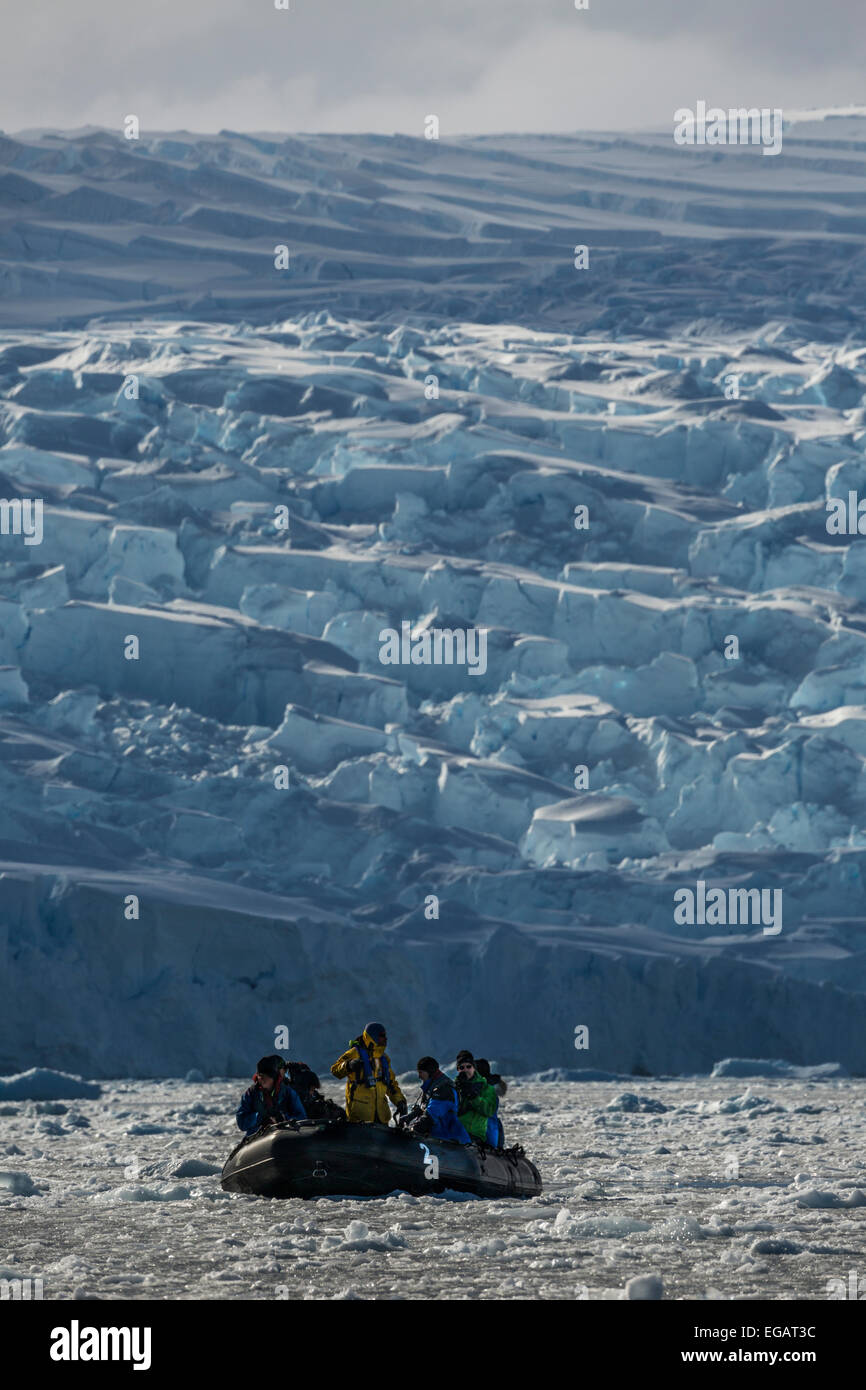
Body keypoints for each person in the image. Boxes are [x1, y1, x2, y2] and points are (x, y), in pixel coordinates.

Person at [330, 1023, 407, 1125]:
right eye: (382, 1035)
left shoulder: (383, 1058)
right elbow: (335, 1070)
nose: (386, 1038)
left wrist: (400, 1101)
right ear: (373, 1036)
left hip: (381, 1117)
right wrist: (348, 1065)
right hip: (359, 1116)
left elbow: (391, 1084)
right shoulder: (354, 1053)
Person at [236, 1055, 307, 1135]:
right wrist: (259, 1118)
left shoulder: (288, 1093)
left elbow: (302, 1117)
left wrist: (284, 1118)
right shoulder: (251, 1094)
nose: (262, 1079)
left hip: (285, 1135)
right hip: (257, 1139)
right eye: (260, 1075)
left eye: (266, 1076)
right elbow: (241, 1122)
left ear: (274, 1078)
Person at [407, 1057, 470, 1143]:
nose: (419, 1076)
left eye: (421, 1072)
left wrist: (412, 1129)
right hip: (439, 1139)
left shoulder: (444, 1089)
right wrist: (411, 1116)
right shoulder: (433, 1087)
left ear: (429, 1072)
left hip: (450, 1142)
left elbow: (431, 1116)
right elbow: (426, 1109)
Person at [454, 1050, 503, 1148]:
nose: (465, 1070)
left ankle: (494, 1148)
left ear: (474, 1068)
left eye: (468, 1066)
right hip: (459, 1134)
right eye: (461, 1067)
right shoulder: (455, 1087)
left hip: (479, 1139)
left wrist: (473, 1097)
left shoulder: (485, 1088)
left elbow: (488, 1111)